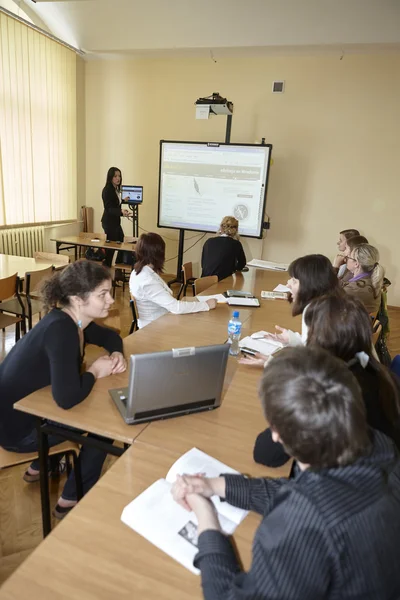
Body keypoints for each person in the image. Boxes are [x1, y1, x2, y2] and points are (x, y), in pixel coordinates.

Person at [172, 347, 400, 600]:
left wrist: (204, 513)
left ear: (276, 434)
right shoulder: (376, 446)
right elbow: (307, 495)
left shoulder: (303, 522)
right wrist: (216, 486)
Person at [0, 260, 127, 519]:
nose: (111, 300)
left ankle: (40, 466)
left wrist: (116, 354)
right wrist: (94, 371)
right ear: (78, 299)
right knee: (106, 423)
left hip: (18, 417)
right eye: (102, 294)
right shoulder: (62, 330)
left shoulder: (71, 320)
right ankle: (73, 494)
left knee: (91, 405)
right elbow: (67, 398)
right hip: (17, 434)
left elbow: (112, 338)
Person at [254, 294, 400, 467]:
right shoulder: (376, 372)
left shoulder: (329, 389)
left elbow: (265, 454)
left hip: (346, 484)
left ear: (320, 339)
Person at [240, 254, 340, 367]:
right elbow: (316, 347)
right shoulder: (330, 305)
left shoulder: (317, 313)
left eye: (294, 281)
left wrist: (272, 363)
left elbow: (312, 366)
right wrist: (293, 338)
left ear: (310, 284)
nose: (288, 284)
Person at [129, 233, 217, 329]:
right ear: (159, 253)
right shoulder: (147, 280)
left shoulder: (139, 271)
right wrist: (206, 305)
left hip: (160, 319)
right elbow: (176, 308)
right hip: (154, 326)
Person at [341, 243, 384, 314]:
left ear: (356, 264)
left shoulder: (354, 289)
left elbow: (329, 303)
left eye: (348, 257)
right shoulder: (373, 279)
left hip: (353, 323)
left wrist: (334, 267)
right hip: (362, 321)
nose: (346, 260)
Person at [101, 167, 130, 267]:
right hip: (109, 223)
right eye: (115, 176)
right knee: (111, 248)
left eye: (119, 176)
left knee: (121, 244)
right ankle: (107, 271)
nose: (118, 178)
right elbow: (109, 208)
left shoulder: (116, 190)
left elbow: (115, 205)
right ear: (110, 177)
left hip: (115, 222)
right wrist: (121, 210)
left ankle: (117, 271)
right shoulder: (107, 190)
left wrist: (123, 204)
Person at [201, 216, 246, 281]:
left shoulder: (209, 241)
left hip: (203, 283)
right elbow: (241, 264)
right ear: (236, 230)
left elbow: (203, 264)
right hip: (222, 282)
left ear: (221, 227)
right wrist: (232, 267)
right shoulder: (236, 244)